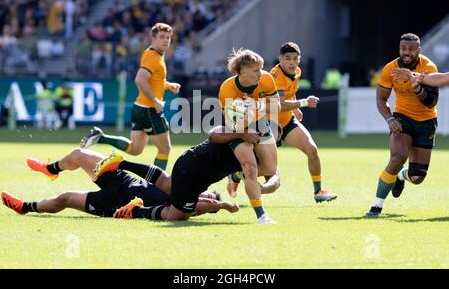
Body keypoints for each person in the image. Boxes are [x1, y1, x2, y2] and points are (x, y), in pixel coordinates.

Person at [1, 148, 237, 218]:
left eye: (213, 196)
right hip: (125, 180)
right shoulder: (185, 185)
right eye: (213, 192)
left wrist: (224, 205)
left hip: (116, 202)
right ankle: (50, 169)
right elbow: (157, 175)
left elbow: (207, 205)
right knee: (79, 154)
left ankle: (25, 208)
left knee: (65, 198)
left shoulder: (188, 205)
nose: (210, 193)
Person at [112, 126, 281, 224]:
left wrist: (263, 189)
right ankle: (135, 211)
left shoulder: (266, 157)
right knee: (178, 215)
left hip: (192, 170)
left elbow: (275, 178)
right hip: (194, 170)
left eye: (274, 140)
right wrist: (241, 134)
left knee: (168, 184)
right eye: (269, 134)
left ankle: (121, 163)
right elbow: (213, 134)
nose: (269, 140)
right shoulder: (242, 129)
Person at [79, 23, 181, 170]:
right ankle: (156, 185)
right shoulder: (154, 57)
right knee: (165, 149)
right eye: (161, 37)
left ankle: (100, 137)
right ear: (153, 38)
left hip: (139, 108)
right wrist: (155, 101)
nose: (165, 40)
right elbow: (140, 80)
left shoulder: (152, 54)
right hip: (149, 110)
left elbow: (154, 80)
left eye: (168, 37)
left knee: (135, 149)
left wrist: (168, 85)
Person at [367, 33, 439, 217]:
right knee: (398, 157)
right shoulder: (390, 68)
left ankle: (401, 176)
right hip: (402, 119)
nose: (407, 52)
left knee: (417, 177)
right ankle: (376, 206)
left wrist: (417, 88)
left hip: (426, 122)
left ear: (419, 50)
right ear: (399, 48)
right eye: (403, 48)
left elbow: (430, 102)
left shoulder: (428, 67)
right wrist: (390, 119)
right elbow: (381, 98)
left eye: (411, 49)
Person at [218, 48, 281, 224]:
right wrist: (245, 128)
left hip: (260, 123)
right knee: (250, 168)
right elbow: (233, 123)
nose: (260, 73)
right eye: (255, 70)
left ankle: (236, 175)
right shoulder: (227, 88)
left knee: (270, 169)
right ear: (242, 71)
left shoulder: (267, 79)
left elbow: (276, 108)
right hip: (237, 128)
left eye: (260, 68)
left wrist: (255, 107)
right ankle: (262, 215)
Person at [269, 42, 337, 202]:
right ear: (280, 59)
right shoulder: (276, 76)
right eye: (287, 58)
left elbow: (289, 95)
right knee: (262, 166)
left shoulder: (297, 72)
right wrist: (304, 103)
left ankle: (318, 192)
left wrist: (294, 109)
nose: (292, 62)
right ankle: (236, 176)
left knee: (312, 150)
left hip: (287, 122)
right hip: (269, 125)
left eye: (295, 58)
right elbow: (279, 105)